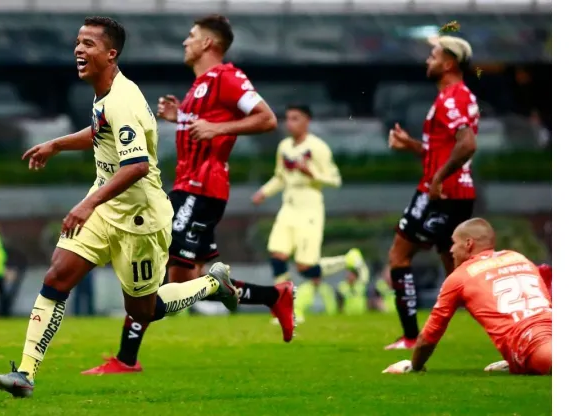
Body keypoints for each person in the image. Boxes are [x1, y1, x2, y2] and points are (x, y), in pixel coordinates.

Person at [0, 17, 239, 398]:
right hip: (106, 207)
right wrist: (57, 144)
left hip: (140, 219)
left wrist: (87, 204)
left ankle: (210, 283)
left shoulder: (123, 100)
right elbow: (99, 129)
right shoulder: (105, 93)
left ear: (110, 53)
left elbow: (136, 165)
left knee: (142, 310)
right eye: (78, 42)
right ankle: (25, 373)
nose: (78, 50)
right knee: (57, 276)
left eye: (88, 44)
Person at [84, 14, 295, 375]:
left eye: (192, 36)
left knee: (153, 258)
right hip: (188, 186)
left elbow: (266, 118)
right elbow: (203, 129)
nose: (186, 41)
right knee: (183, 283)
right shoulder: (199, 87)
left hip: (202, 188)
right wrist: (179, 117)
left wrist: (218, 126)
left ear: (208, 44)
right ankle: (273, 295)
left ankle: (126, 359)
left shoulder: (228, 77)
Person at [384, 36, 479, 350]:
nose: (428, 60)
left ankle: (412, 338)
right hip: (447, 192)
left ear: (449, 63)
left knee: (400, 256)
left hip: (440, 193)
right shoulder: (453, 98)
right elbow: (442, 150)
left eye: (433, 56)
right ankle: (510, 331)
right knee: (457, 274)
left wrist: (437, 178)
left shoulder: (453, 98)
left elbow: (467, 145)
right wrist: (410, 145)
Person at [382, 218, 551, 375]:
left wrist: (414, 366)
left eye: (454, 243)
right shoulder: (518, 257)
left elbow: (429, 336)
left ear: (468, 244)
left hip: (531, 343)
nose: (451, 249)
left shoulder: (459, 277)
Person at [251, 104, 368, 323]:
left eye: (295, 118)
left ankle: (348, 260)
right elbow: (280, 176)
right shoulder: (284, 146)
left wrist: (311, 172)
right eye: (288, 118)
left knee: (306, 268)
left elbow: (334, 179)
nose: (290, 123)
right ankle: (285, 307)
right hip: (289, 207)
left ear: (307, 121)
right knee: (277, 255)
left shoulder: (318, 147)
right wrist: (263, 192)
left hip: (310, 209)